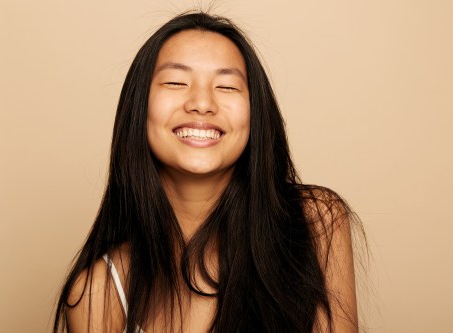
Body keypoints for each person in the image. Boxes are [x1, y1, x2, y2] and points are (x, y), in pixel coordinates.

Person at [53, 11, 361, 333]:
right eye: (175, 82)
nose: (202, 103)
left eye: (227, 86)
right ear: (139, 107)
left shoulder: (315, 221)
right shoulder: (98, 292)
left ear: (255, 114)